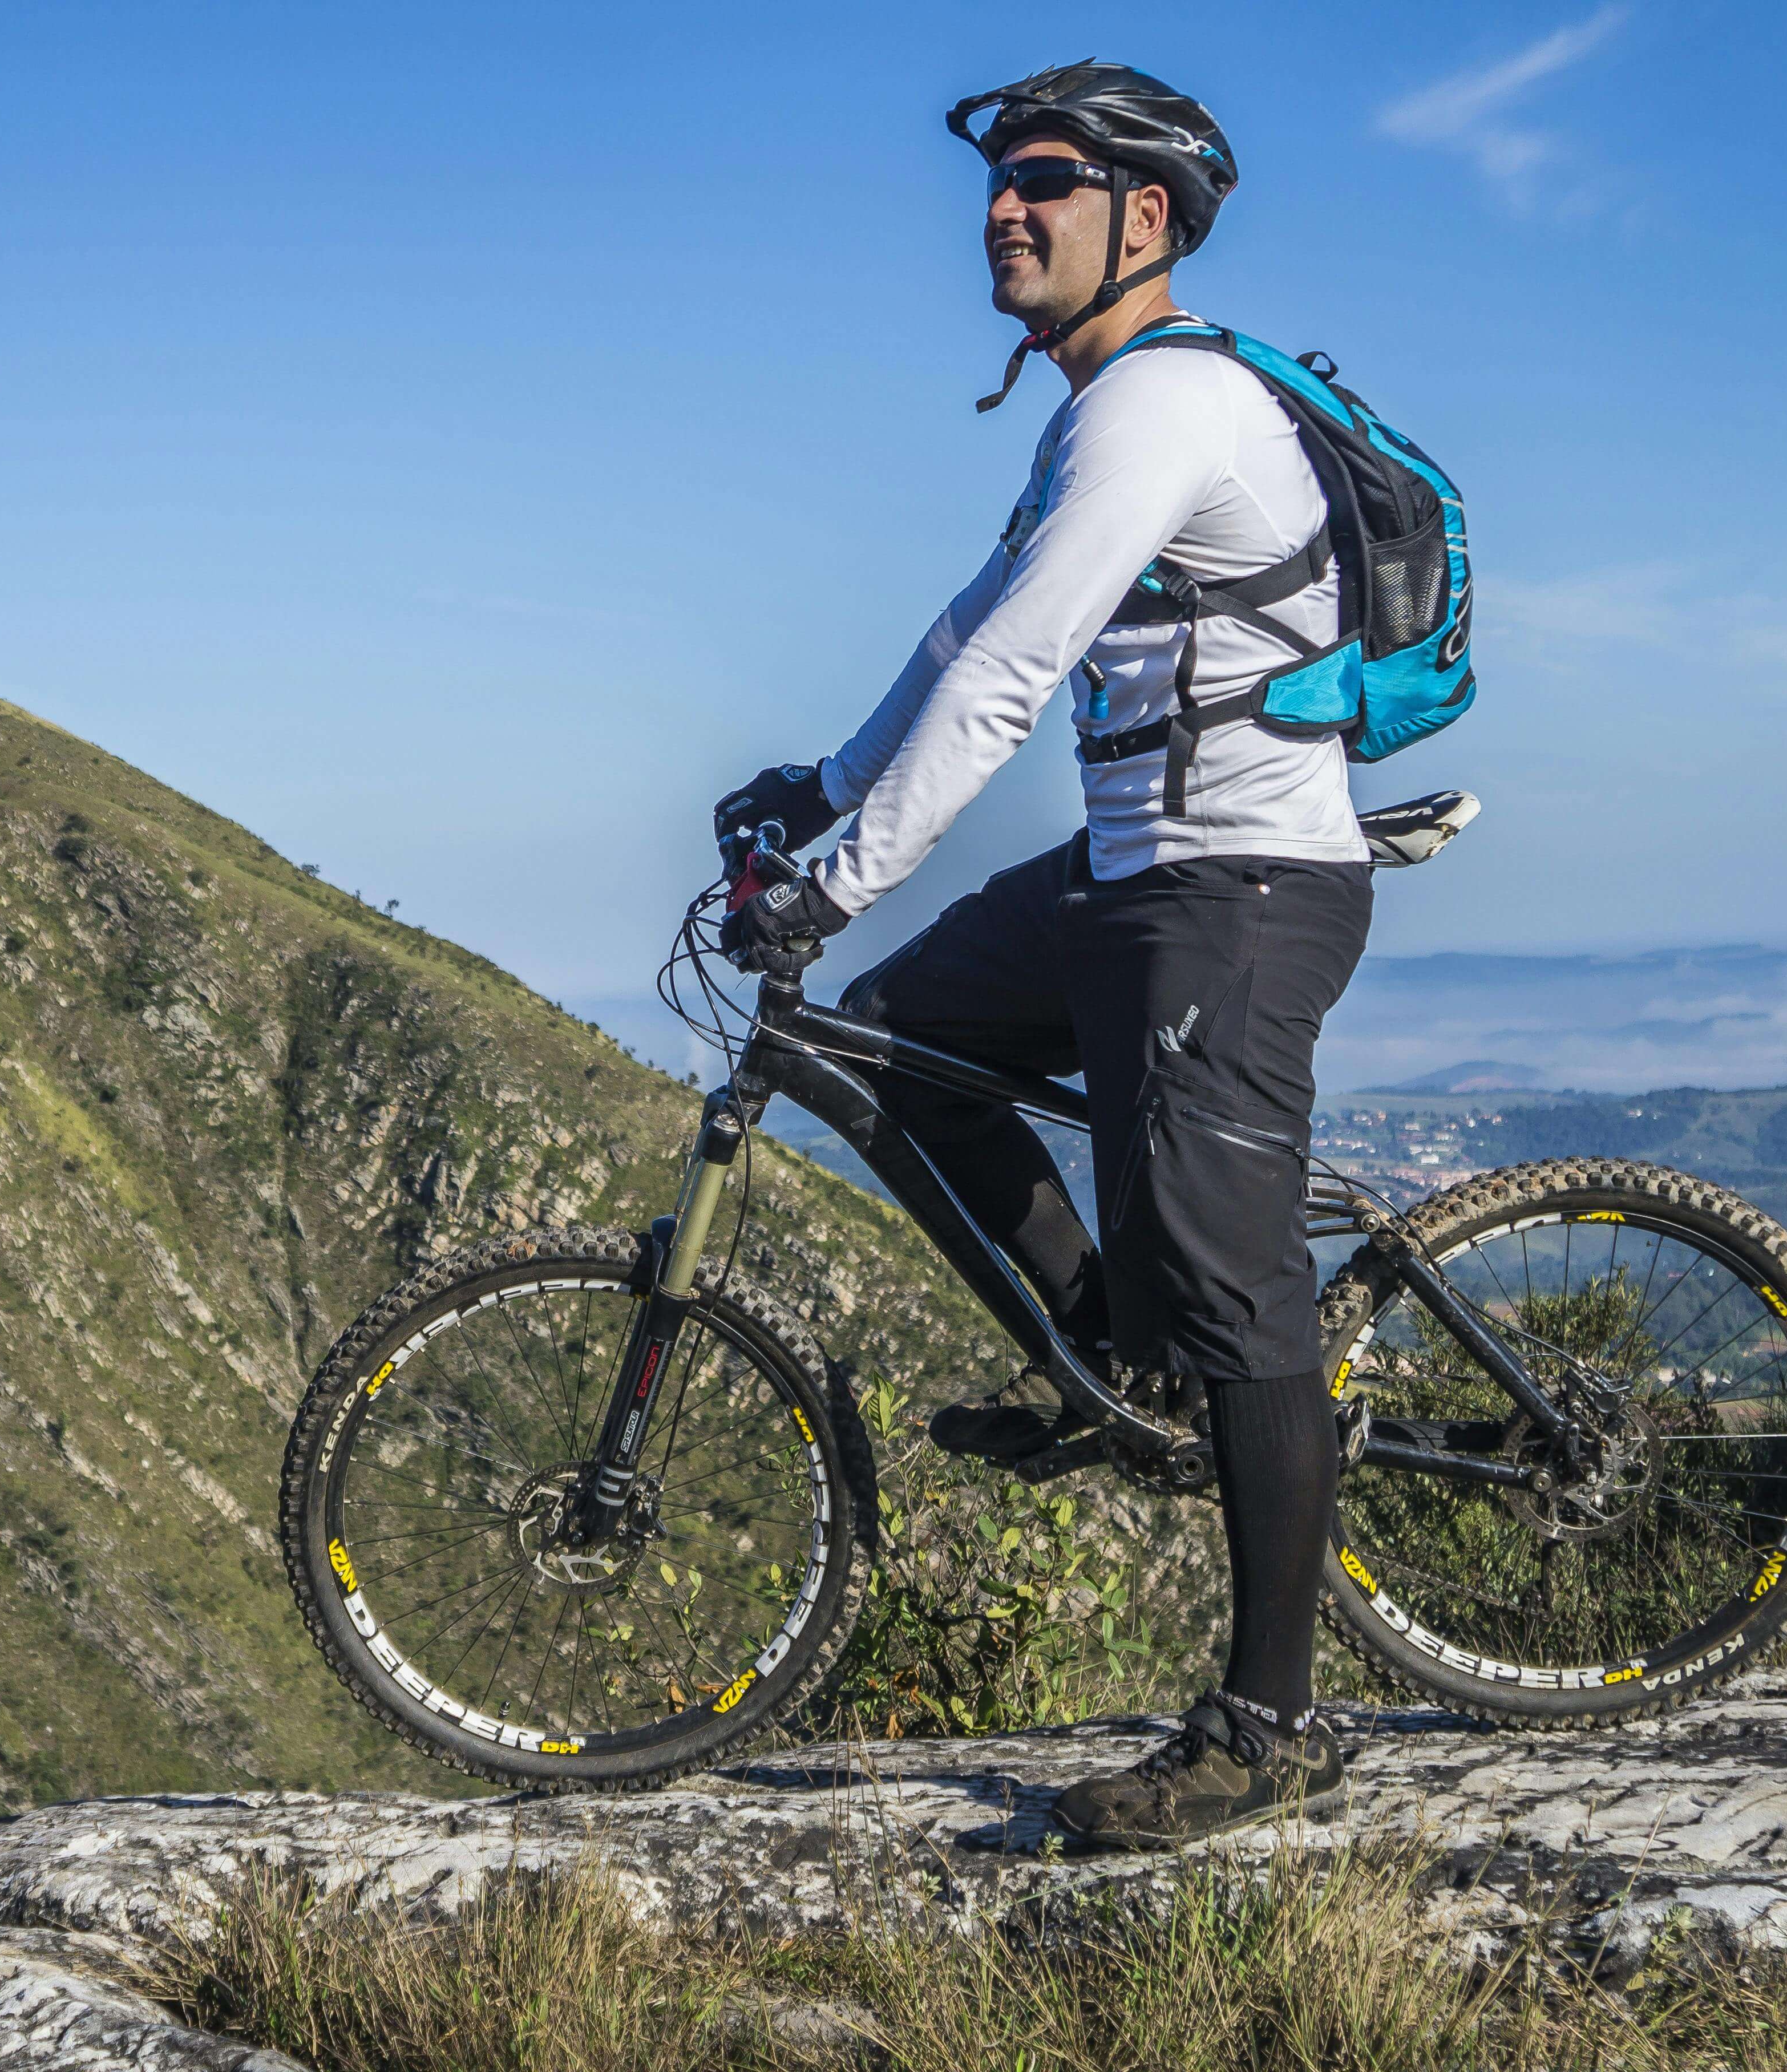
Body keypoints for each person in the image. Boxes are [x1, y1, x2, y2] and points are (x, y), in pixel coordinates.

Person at [710, 61, 1371, 1849]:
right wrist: (825, 782)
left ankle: (1271, 1723)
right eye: (999, 184)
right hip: (1137, 869)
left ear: (1141, 222)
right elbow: (964, 634)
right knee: (890, 1049)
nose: (1005, 209)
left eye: (1049, 183)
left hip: (1238, 890)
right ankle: (1117, 1358)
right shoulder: (1091, 415)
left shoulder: (1166, 409)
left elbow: (1015, 681)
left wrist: (831, 876)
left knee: (1242, 1287)